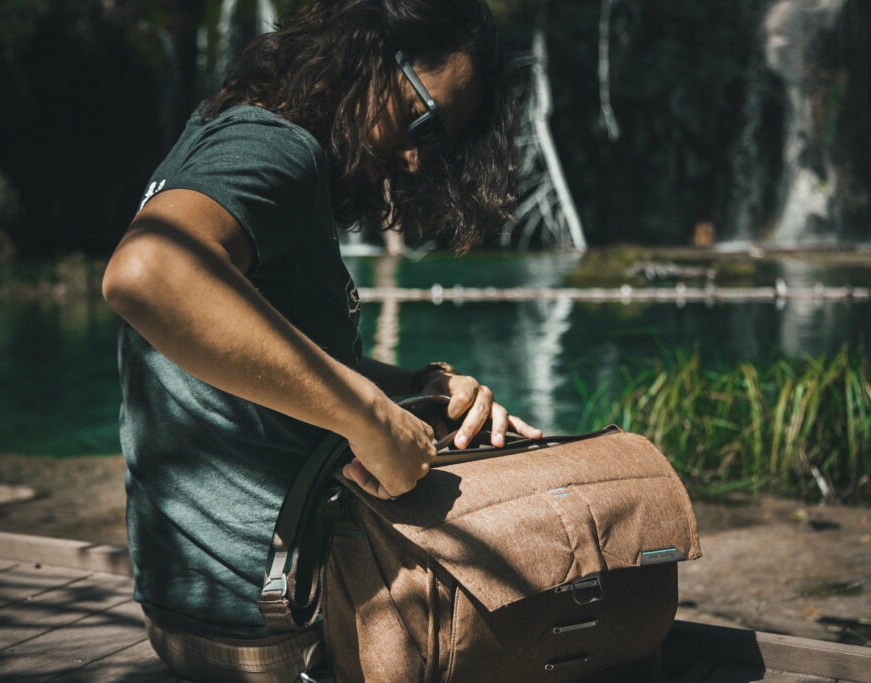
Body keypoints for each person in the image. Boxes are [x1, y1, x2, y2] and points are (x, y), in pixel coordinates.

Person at [101, 0, 541, 680]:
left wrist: (418, 386)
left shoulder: (226, 132)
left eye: (442, 142)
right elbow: (147, 274)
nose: (421, 158)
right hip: (276, 627)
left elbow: (271, 357)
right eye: (424, 119)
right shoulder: (274, 146)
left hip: (204, 607)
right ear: (367, 56)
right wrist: (367, 417)